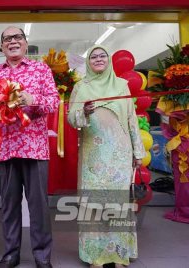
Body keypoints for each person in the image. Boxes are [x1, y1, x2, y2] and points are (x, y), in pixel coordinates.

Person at [0, 26, 58, 268]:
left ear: (25, 43)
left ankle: (42, 255)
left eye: (18, 37)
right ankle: (11, 253)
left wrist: (33, 100)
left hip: (34, 147)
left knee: (39, 206)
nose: (13, 41)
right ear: (2, 46)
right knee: (9, 205)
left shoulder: (41, 69)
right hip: (5, 148)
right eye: (7, 39)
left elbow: (54, 101)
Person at [67, 46, 145, 268]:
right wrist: (84, 112)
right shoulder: (81, 88)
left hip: (120, 153)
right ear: (88, 62)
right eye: (93, 56)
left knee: (118, 205)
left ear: (109, 60)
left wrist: (138, 152)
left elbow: (131, 119)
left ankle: (119, 254)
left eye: (102, 56)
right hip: (93, 155)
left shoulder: (122, 86)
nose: (98, 59)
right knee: (94, 205)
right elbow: (71, 119)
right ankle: (96, 256)